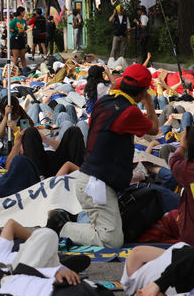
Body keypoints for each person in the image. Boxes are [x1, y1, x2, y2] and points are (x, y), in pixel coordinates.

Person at [54, 63, 159, 248]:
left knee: (107, 227)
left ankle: (70, 223)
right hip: (97, 184)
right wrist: (149, 102)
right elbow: (155, 129)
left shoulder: (104, 101)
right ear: (143, 91)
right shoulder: (129, 112)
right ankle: (62, 226)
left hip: (91, 179)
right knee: (111, 240)